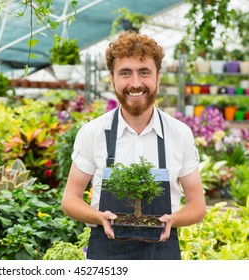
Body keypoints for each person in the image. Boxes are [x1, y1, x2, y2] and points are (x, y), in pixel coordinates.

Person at [61, 32, 206, 260]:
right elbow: (70, 199)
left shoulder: (179, 134)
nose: (136, 83)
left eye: (144, 72)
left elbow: (198, 205)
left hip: (162, 255)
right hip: (106, 256)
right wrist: (99, 217)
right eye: (125, 73)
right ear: (112, 78)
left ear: (158, 77)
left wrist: (173, 220)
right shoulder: (93, 133)